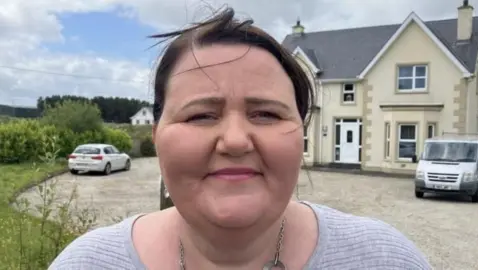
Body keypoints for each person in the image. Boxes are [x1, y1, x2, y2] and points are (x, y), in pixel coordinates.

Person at [48, 7, 432, 270]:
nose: (234, 141)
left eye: (266, 114)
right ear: (157, 137)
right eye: (201, 115)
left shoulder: (386, 260)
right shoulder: (86, 264)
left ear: (301, 133)